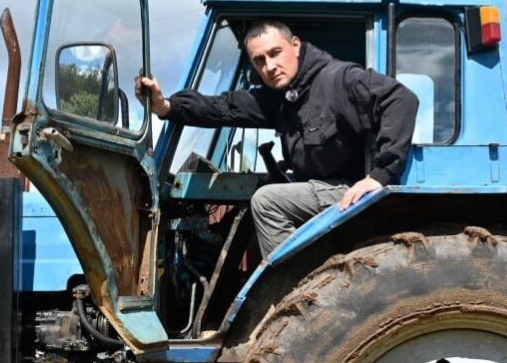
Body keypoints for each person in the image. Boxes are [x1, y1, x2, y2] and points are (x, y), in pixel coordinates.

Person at [137, 20, 418, 257]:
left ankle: (298, 295)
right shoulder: (278, 98)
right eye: (260, 60)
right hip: (323, 189)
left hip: (349, 191)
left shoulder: (339, 80)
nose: (269, 65)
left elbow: (400, 98)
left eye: (275, 53)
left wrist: (380, 175)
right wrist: (166, 107)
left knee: (267, 202)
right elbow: (224, 107)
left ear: (295, 45)